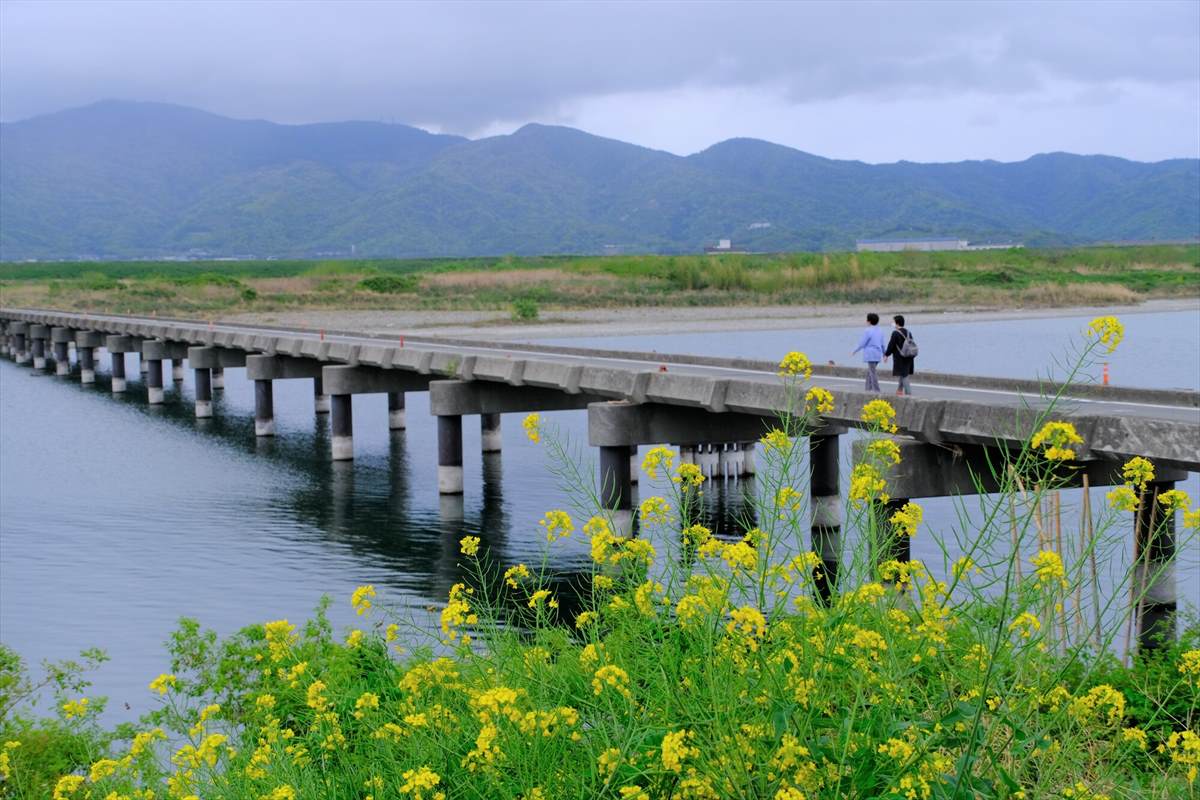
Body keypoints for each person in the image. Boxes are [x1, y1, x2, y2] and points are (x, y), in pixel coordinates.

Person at [851, 312, 885, 392]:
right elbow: (883, 344)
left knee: (872, 372)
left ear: (869, 321)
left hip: (870, 354)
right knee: (870, 372)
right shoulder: (880, 330)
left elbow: (862, 343)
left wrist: (854, 351)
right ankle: (867, 389)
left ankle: (876, 390)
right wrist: (885, 354)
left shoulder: (868, 330)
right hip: (878, 354)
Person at [883, 314, 916, 396]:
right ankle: (899, 391)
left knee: (904, 375)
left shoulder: (895, 333)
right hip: (909, 356)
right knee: (904, 373)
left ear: (897, 323)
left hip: (900, 357)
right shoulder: (908, 332)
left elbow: (891, 345)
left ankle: (909, 394)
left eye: (893, 322)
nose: (892, 323)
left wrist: (886, 355)